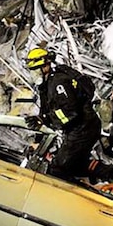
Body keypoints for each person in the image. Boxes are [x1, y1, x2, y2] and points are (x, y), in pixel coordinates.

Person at [24, 47, 101, 181]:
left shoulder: (58, 83)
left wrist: (44, 119)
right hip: (77, 129)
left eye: (36, 70)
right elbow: (45, 111)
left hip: (84, 128)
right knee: (74, 165)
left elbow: (70, 112)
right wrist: (37, 140)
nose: (34, 74)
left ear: (46, 66)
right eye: (32, 71)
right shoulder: (46, 85)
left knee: (58, 169)